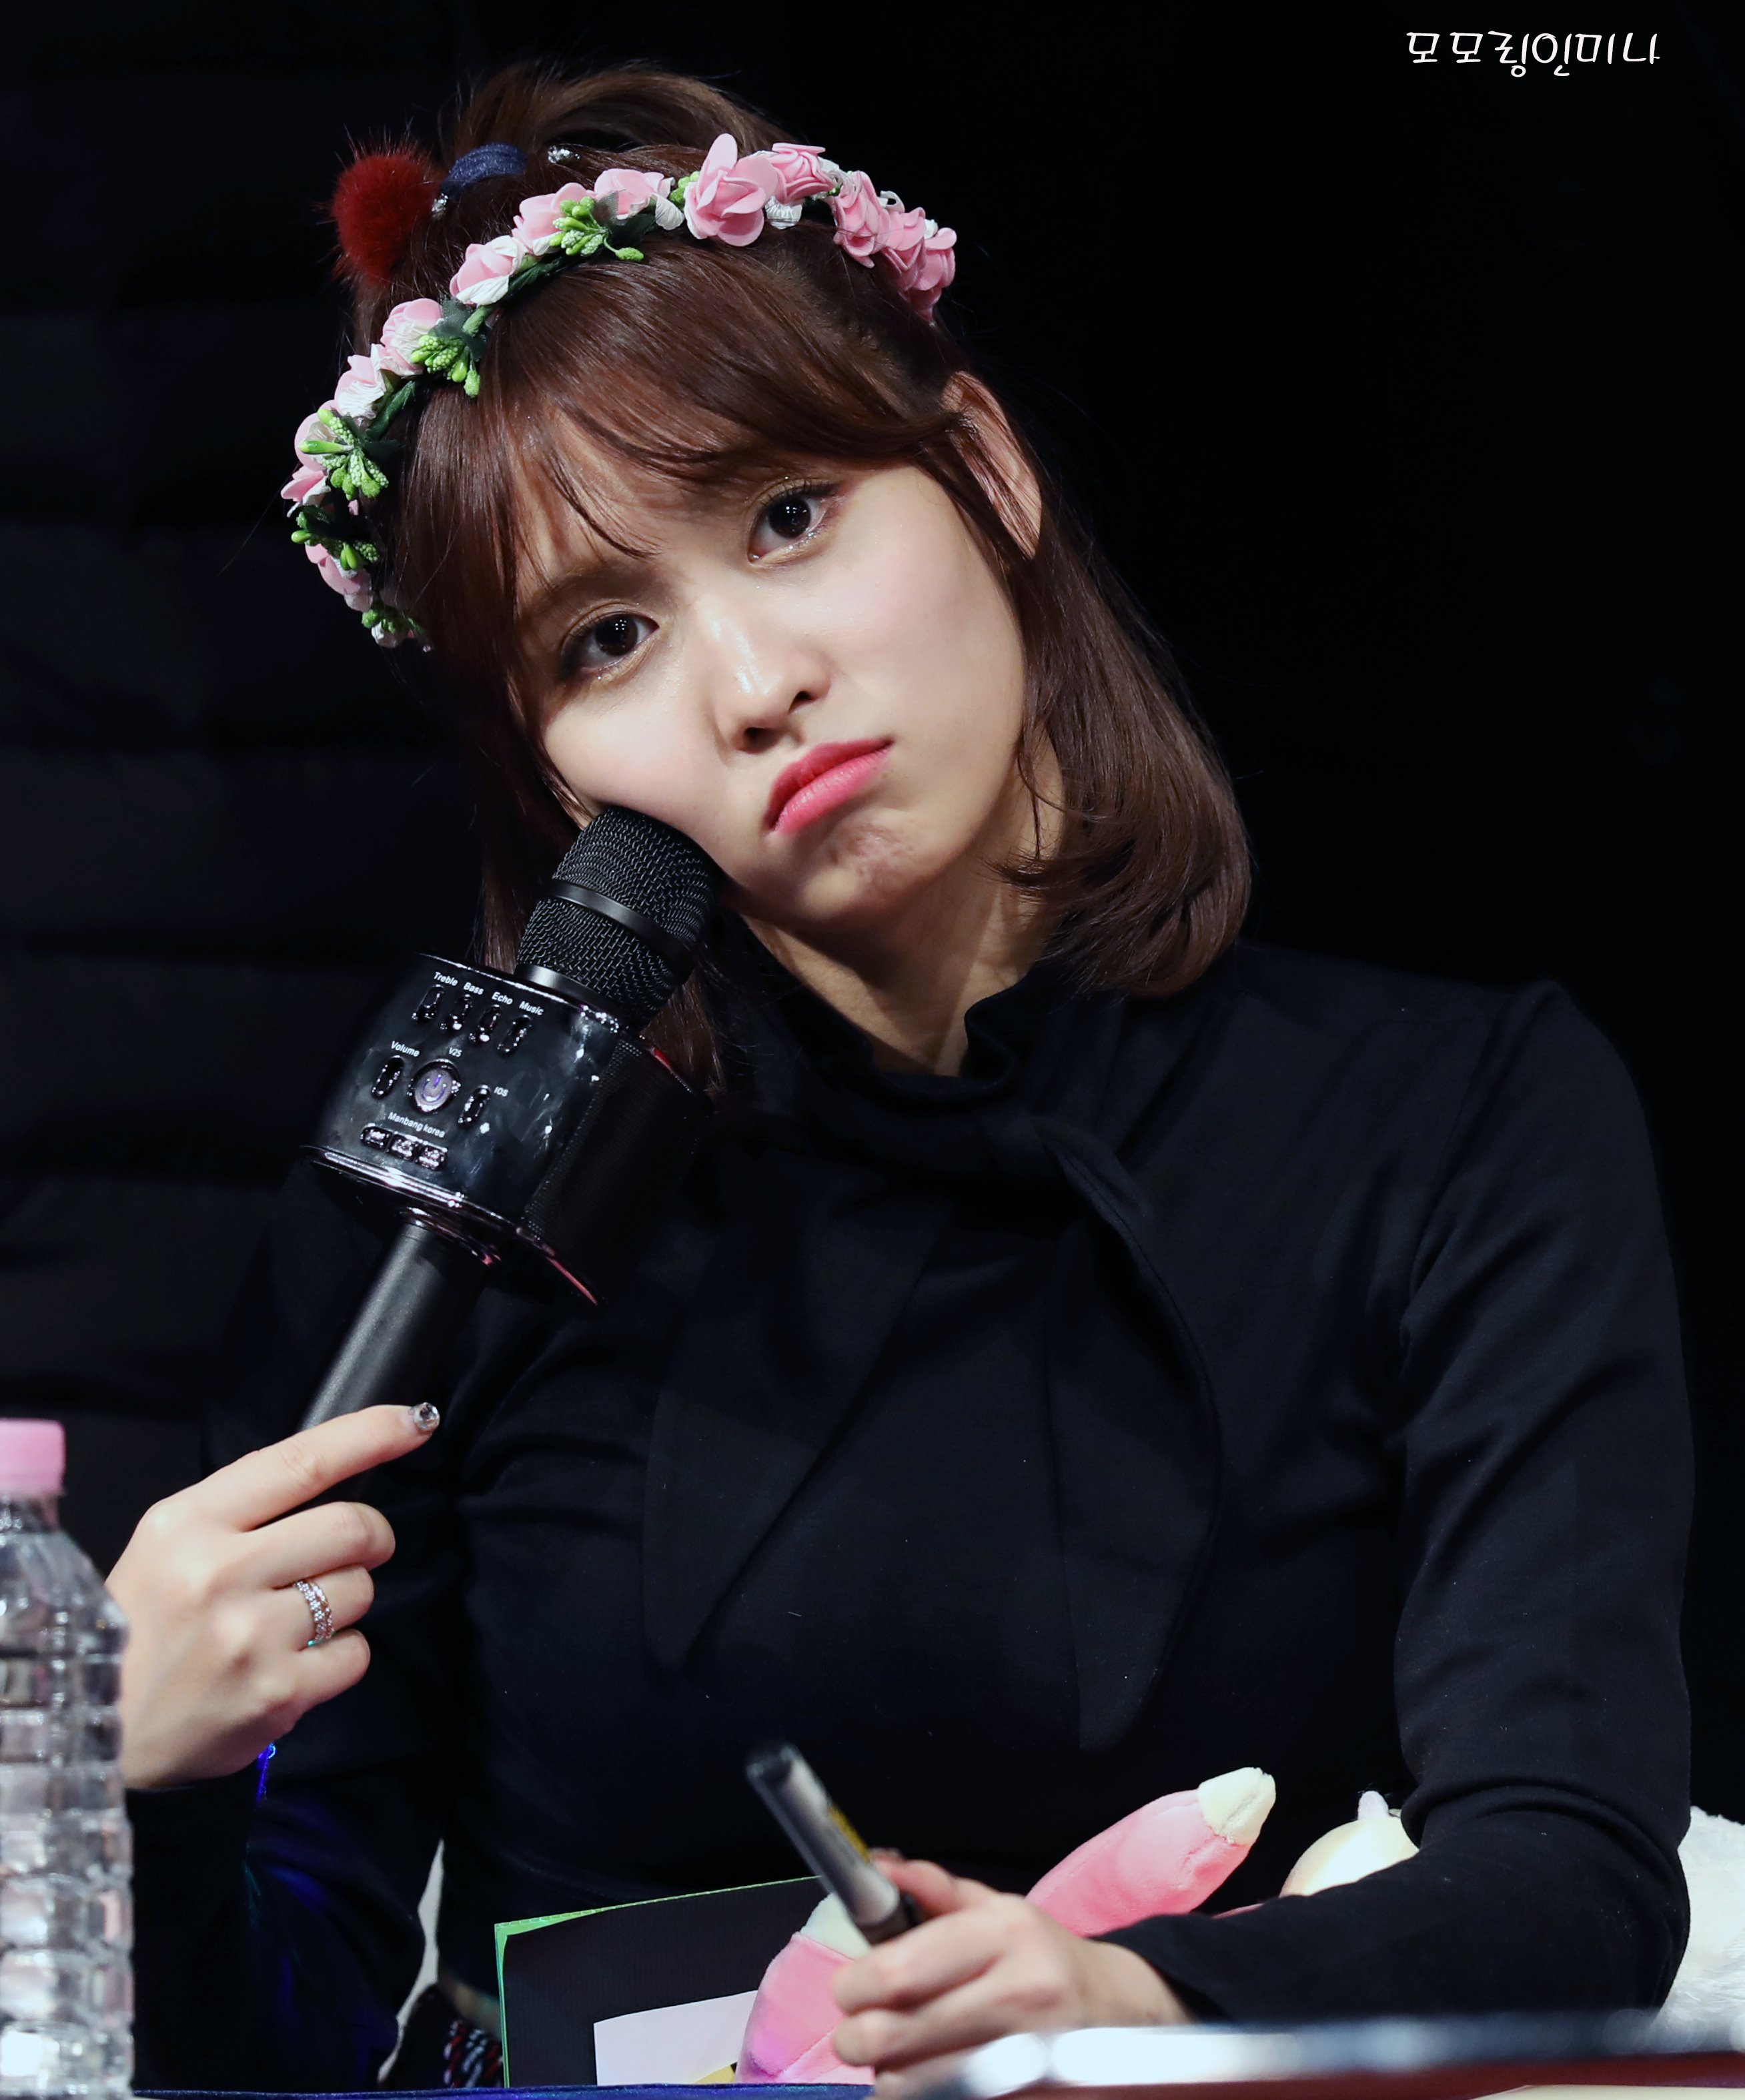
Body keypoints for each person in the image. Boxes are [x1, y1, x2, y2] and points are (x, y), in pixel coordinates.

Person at [107, 61, 1692, 2094]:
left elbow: (1569, 1865)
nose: (755, 682)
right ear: (556, 775)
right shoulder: (457, 1216)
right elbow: (285, 2028)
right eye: (605, 638)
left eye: (790, 517)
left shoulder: (1459, 1123)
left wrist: (1127, 2006)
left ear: (985, 469)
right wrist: (142, 1775)